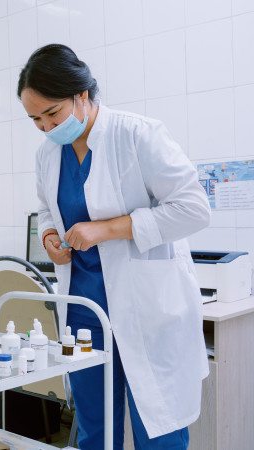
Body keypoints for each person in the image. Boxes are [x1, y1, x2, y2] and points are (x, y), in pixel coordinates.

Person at [18, 44, 210, 449]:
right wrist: (50, 238)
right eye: (35, 119)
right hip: (84, 309)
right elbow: (47, 210)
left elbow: (193, 209)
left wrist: (107, 229)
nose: (46, 127)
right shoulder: (47, 154)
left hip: (148, 307)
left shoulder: (137, 134)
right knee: (94, 427)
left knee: (157, 428)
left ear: (82, 94)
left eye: (52, 113)